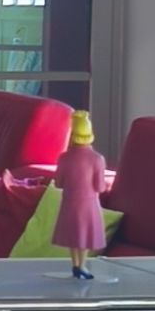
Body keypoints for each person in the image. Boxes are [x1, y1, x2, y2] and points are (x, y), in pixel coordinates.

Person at [51, 106, 110, 282]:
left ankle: (75, 265)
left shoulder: (64, 158)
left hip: (69, 202)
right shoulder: (97, 159)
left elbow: (58, 183)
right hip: (89, 204)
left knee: (73, 236)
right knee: (84, 236)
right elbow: (99, 187)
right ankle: (82, 265)